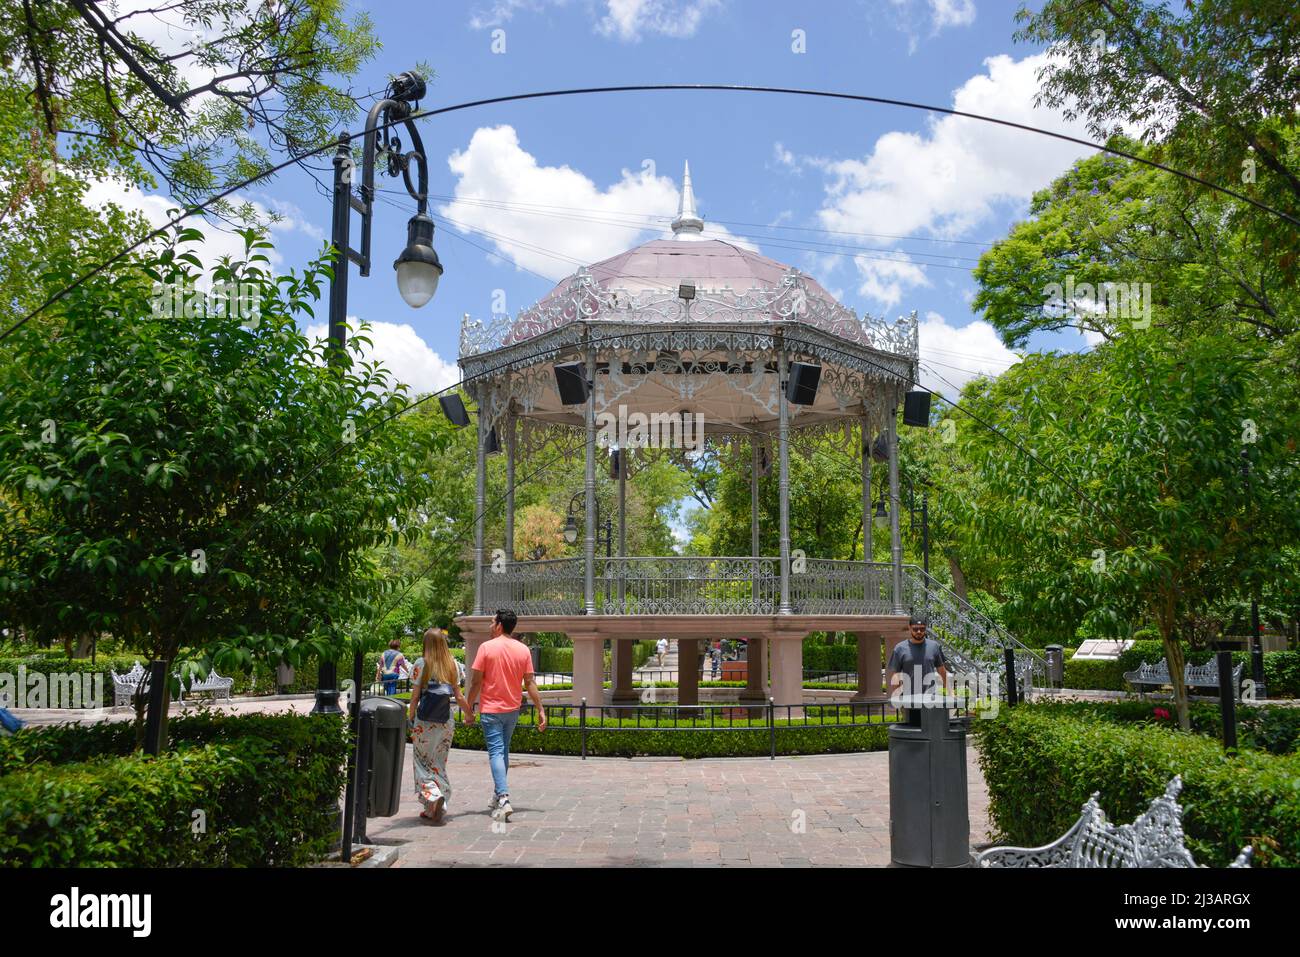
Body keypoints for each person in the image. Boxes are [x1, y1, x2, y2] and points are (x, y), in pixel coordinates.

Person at [465, 608, 548, 822]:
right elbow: (530, 682)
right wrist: (540, 709)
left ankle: (503, 797)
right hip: (512, 710)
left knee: (495, 752)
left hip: (491, 710)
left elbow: (475, 682)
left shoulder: (486, 648)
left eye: (492, 622)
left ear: (500, 624)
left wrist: (468, 707)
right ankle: (497, 793)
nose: (490, 625)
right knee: (503, 751)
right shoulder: (523, 650)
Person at [409, 627, 472, 824]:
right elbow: (459, 696)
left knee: (421, 762)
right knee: (438, 762)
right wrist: (470, 713)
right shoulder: (453, 665)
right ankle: (435, 806)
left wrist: (410, 718)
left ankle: (433, 796)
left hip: (424, 723)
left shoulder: (421, 664)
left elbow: (415, 696)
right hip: (445, 721)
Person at [887, 616, 950, 700]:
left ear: (926, 628)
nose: (919, 631)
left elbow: (942, 671)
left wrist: (950, 692)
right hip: (908, 698)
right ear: (909, 628)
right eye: (915, 629)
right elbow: (895, 675)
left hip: (930, 698)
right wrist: (896, 695)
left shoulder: (934, 646)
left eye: (922, 629)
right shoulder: (900, 648)